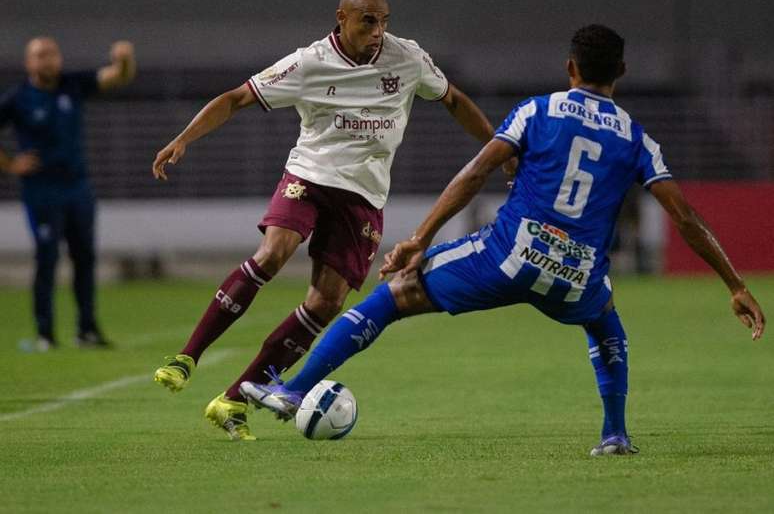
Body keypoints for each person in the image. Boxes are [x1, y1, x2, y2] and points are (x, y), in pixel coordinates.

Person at [242, 24, 766, 456]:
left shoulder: (537, 111)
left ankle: (291, 389)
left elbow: (475, 174)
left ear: (570, 68)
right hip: (577, 275)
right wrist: (735, 285)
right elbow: (686, 216)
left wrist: (420, 239)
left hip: (508, 256)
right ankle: (615, 434)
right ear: (622, 73)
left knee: (395, 292)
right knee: (604, 321)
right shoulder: (636, 137)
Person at [151, 0, 501, 440]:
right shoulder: (309, 62)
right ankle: (187, 356)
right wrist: (183, 138)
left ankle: (234, 398)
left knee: (327, 302)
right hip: (310, 177)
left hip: (364, 197)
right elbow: (236, 98)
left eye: (384, 21)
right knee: (273, 253)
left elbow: (453, 100)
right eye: (367, 21)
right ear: (342, 17)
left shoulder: (407, 58)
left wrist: (500, 148)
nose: (378, 31)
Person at [0, 37, 136, 351]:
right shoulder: (18, 98)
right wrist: (10, 164)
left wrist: (124, 60)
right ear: (28, 63)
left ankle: (87, 330)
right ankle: (45, 333)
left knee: (85, 257)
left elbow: (117, 76)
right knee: (47, 259)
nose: (47, 60)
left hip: (78, 188)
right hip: (42, 191)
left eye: (52, 54)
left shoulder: (71, 85)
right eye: (40, 55)